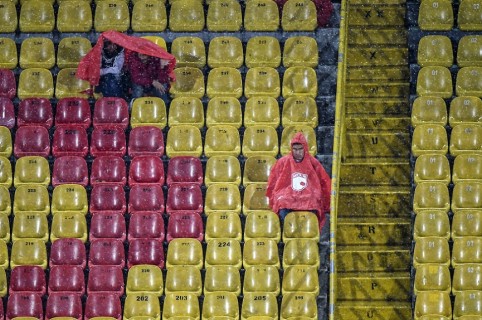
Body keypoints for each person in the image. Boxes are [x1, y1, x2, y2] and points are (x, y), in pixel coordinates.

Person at [266, 132, 331, 239]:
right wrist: (275, 197)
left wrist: (326, 204)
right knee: (282, 202)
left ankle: (309, 232)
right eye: (295, 149)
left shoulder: (313, 163)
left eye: (300, 149)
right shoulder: (283, 162)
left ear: (304, 148)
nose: (297, 152)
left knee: (314, 201)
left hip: (307, 194)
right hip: (288, 195)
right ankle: (288, 232)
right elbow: (273, 182)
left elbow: (324, 182)